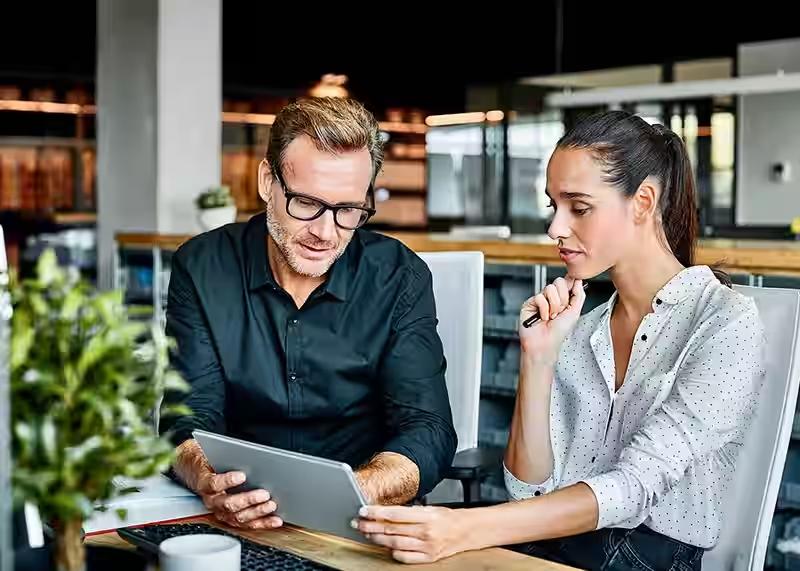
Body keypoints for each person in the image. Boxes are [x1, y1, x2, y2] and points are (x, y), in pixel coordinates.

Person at [355, 110, 766, 570]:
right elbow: (527, 490)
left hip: (647, 556)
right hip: (562, 543)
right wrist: (539, 359)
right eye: (554, 206)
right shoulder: (583, 328)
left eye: (580, 207)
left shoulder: (725, 322)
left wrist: (466, 529)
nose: (555, 228)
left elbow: (634, 488)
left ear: (643, 201)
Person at [160, 97, 457, 531]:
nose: (324, 232)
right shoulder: (203, 267)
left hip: (361, 519)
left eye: (348, 210)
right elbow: (186, 419)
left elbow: (427, 429)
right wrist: (209, 480)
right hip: (236, 516)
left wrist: (351, 493)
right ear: (267, 181)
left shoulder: (399, 277)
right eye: (305, 203)